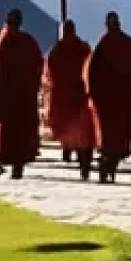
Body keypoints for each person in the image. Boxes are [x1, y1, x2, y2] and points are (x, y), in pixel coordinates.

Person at [0, 8, 44, 180]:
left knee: (5, 135)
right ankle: (17, 167)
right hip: (24, 99)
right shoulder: (28, 42)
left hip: (5, 99)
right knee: (20, 136)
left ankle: (0, 162)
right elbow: (38, 67)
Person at [86, 11, 131, 184]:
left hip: (108, 100)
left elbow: (91, 73)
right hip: (120, 99)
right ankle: (110, 166)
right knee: (118, 137)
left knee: (109, 137)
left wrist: (92, 92)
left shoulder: (102, 46)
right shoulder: (129, 44)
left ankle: (106, 166)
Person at [45, 20, 96, 180]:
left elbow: (49, 76)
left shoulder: (57, 51)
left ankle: (73, 152)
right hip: (79, 96)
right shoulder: (82, 48)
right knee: (82, 132)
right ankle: (82, 161)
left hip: (66, 98)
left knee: (72, 130)